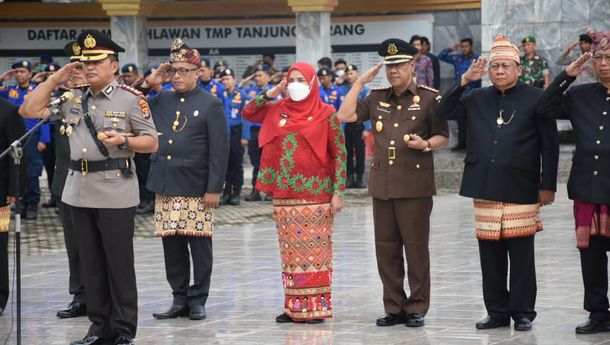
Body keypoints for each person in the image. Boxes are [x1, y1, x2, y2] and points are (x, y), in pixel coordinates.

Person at [20, 29, 158, 345]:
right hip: (78, 191)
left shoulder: (131, 99)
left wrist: (124, 139)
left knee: (118, 264)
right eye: (85, 62)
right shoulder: (72, 98)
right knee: (90, 264)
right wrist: (55, 79)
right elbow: (28, 111)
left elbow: (151, 142)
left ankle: (123, 329)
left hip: (115, 190)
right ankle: (98, 328)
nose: (90, 67)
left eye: (97, 62)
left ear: (113, 65)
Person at [437, 34, 559, 332]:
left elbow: (550, 146)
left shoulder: (537, 98)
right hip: (486, 186)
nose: (500, 71)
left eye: (506, 66)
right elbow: (443, 111)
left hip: (522, 185)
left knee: (521, 255)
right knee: (490, 255)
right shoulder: (477, 97)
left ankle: (523, 312)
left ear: (519, 69)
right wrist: (465, 80)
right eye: (495, 66)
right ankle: (496, 312)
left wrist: (548, 184)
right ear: (488, 71)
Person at [337, 38, 449, 328]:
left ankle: (417, 307)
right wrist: (360, 82)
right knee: (385, 248)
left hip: (414, 186)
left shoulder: (428, 98)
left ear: (412, 65)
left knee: (415, 247)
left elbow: (442, 136)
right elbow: (344, 115)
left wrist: (425, 144)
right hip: (383, 186)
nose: (393, 71)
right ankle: (394, 306)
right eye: (389, 66)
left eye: (399, 65)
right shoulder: (376, 97)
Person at [242, 61, 346, 323]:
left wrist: (338, 191)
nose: (295, 84)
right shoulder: (278, 108)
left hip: (316, 196)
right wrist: (274, 90)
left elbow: (339, 154)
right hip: (284, 196)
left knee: (315, 255)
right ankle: (294, 305)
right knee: (290, 254)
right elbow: (249, 111)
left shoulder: (327, 112)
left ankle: (316, 307)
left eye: (301, 79)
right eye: (291, 79)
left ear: (312, 82)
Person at [141, 38, 228, 322]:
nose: (177, 76)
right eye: (173, 70)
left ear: (197, 72)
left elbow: (219, 150)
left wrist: (214, 188)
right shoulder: (161, 99)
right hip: (166, 184)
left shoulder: (210, 103)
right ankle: (178, 298)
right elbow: (133, 106)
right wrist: (149, 82)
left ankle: (198, 298)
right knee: (172, 246)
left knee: (199, 246)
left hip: (196, 186)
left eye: (183, 70)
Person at [536, 30, 610, 335]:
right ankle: (599, 313)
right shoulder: (580, 95)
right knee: (591, 255)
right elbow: (544, 108)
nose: (604, 63)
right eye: (600, 58)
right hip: (588, 190)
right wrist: (566, 76)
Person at [54, 41, 88, 319]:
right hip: (66, 180)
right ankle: (80, 295)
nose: (77, 72)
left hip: (96, 181)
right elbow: (28, 109)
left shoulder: (101, 99)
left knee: (97, 244)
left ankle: (101, 295)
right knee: (73, 243)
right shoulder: (62, 100)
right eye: (73, 67)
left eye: (83, 66)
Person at [0, 60, 50, 220]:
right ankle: (18, 203)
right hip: (13, 138)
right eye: (17, 72)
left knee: (32, 172)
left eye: (22, 71)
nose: (19, 75)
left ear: (29, 73)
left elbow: (44, 117)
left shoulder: (37, 91)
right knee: (14, 169)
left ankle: (32, 204)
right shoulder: (9, 91)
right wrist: (2, 79)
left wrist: (44, 139)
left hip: (32, 135)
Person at [0, 97, 26, 317]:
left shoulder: (8, 110)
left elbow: (17, 154)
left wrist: (14, 189)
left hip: (0, 192)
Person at [439, 38, 480, 150]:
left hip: (473, 93)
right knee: (461, 121)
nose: (464, 49)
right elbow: (441, 56)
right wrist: (451, 48)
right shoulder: (457, 57)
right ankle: (461, 144)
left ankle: (472, 145)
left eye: (466, 46)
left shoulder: (476, 58)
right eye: (462, 46)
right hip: (460, 93)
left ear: (471, 46)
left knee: (473, 121)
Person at [244, 63, 276, 201]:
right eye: (255, 75)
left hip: (269, 130)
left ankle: (270, 191)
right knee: (256, 162)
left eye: (260, 75)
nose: (257, 78)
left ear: (268, 77)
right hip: (254, 130)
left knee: (270, 161)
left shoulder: (275, 91)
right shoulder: (250, 91)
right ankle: (255, 191)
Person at [219, 67, 248, 206]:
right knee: (224, 165)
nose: (225, 81)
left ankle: (236, 193)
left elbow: (247, 117)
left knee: (236, 164)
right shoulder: (219, 94)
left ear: (234, 80)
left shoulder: (242, 95)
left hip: (237, 133)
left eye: (228, 79)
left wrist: (245, 136)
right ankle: (226, 192)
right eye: (223, 79)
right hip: (223, 133)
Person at [341, 64, 371, 188]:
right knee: (347, 153)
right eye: (347, 74)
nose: (349, 76)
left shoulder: (364, 90)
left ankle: (359, 179)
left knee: (360, 153)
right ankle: (349, 179)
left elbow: (369, 109)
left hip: (359, 126)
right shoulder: (343, 89)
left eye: (352, 73)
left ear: (357, 74)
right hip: (346, 126)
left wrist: (367, 128)